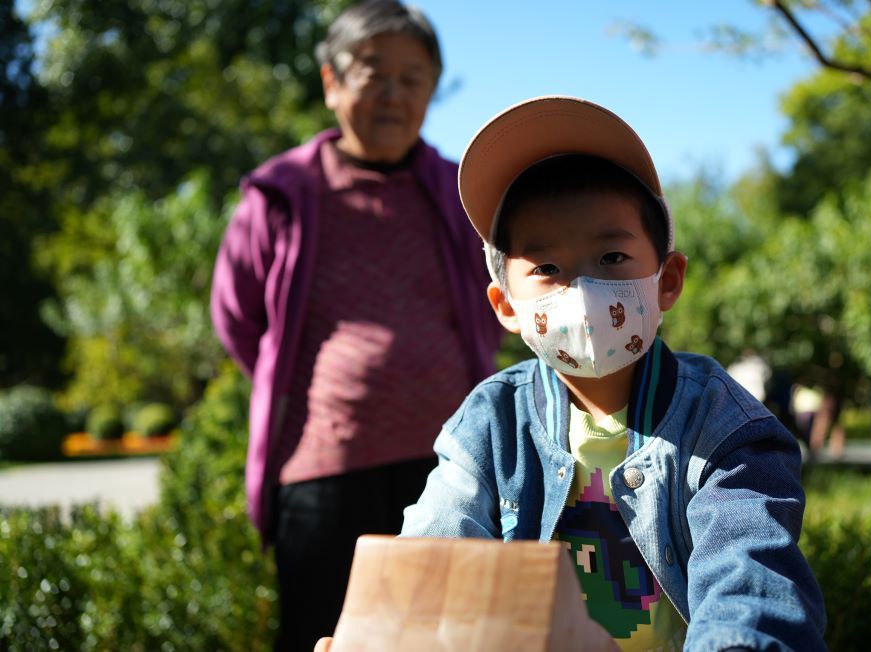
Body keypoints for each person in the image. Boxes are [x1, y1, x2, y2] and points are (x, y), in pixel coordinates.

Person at [400, 96, 827, 650]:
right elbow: (434, 557)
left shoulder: (726, 429)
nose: (581, 293)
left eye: (611, 260)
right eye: (547, 269)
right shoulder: (489, 423)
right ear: (506, 307)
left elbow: (749, 588)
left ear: (667, 279)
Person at [209, 2, 501, 649]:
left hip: (450, 467)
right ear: (332, 82)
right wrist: (327, 391)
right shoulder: (280, 193)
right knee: (328, 636)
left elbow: (499, 296)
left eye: (413, 77)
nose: (394, 93)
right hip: (321, 478)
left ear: (431, 90)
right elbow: (236, 315)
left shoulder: (462, 192)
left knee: (446, 641)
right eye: (374, 72)